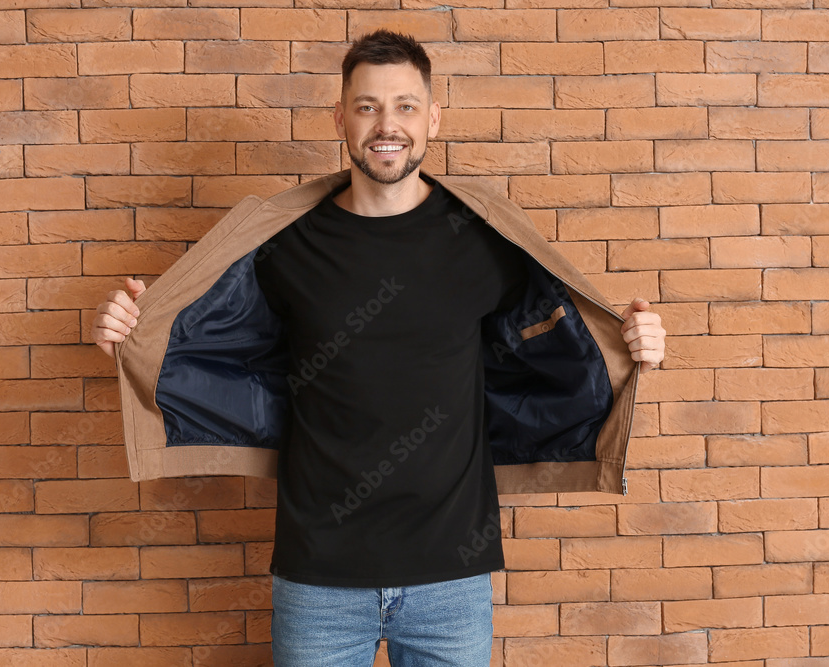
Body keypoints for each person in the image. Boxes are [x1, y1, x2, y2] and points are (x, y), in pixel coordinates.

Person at [92, 29, 665, 667]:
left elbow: (558, 343)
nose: (386, 124)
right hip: (317, 578)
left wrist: (634, 344)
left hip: (453, 576)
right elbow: (220, 348)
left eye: (405, 106)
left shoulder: (483, 238)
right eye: (366, 106)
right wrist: (129, 335)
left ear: (433, 119)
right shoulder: (283, 243)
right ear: (339, 117)